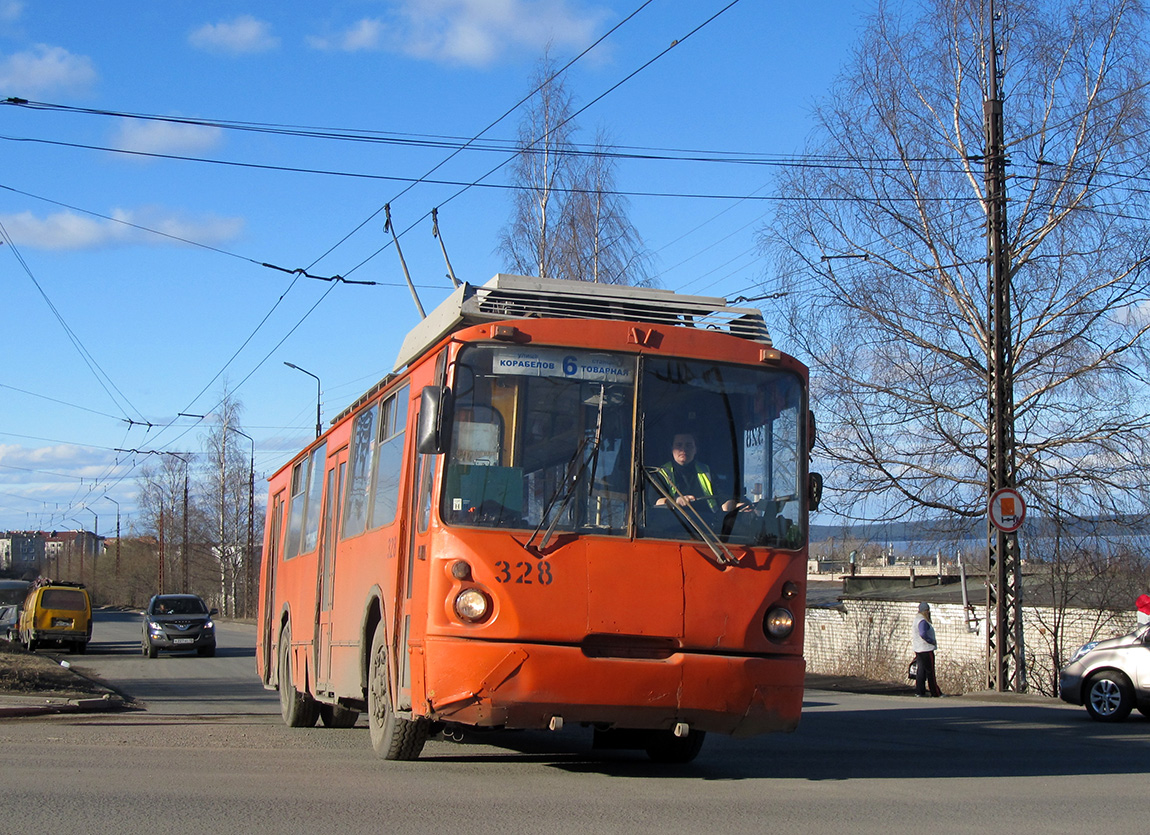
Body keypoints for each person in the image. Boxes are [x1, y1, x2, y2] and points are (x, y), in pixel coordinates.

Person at [653, 432, 733, 512]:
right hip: (672, 523)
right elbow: (654, 502)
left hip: (707, 523)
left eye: (688, 445)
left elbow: (722, 498)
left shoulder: (706, 471)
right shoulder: (661, 473)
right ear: (672, 449)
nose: (683, 449)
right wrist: (676, 501)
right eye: (679, 445)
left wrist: (734, 507)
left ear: (695, 450)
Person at [912, 602, 942, 697]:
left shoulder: (916, 619)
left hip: (918, 649)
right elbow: (923, 633)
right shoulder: (922, 621)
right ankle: (935, 692)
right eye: (927, 610)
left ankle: (919, 691)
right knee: (930, 672)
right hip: (926, 649)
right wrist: (931, 641)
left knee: (921, 671)